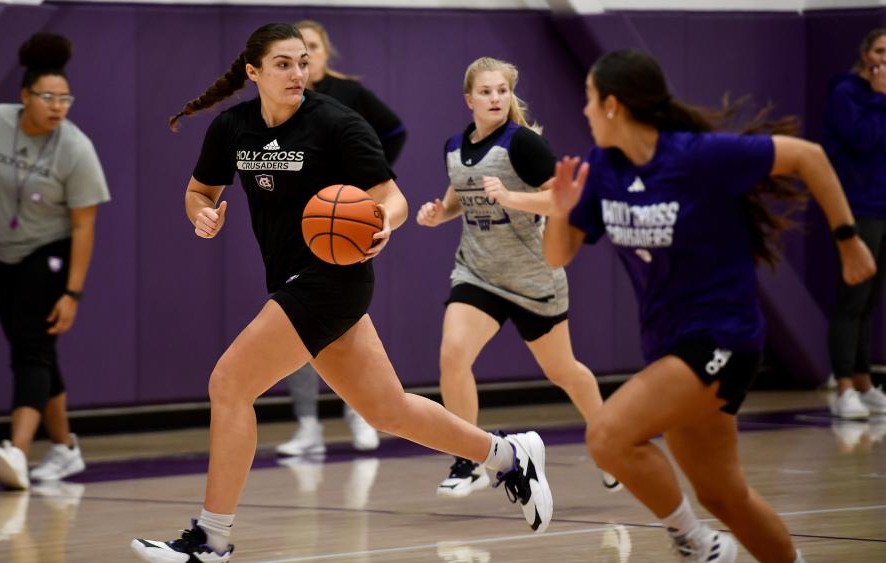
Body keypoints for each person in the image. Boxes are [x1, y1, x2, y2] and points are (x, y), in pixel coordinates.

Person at [130, 24, 552, 563]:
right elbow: (199, 191)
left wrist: (384, 224)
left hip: (335, 277)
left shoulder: (335, 122)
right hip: (289, 279)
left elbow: (391, 197)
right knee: (388, 410)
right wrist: (203, 216)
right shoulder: (232, 127)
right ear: (253, 72)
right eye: (283, 64)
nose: (297, 73)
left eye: (303, 62)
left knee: (229, 384)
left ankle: (210, 541)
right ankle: (507, 455)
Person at [493, 49, 874, 562]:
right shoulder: (602, 168)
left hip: (723, 337)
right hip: (669, 343)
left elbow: (810, 157)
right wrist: (560, 212)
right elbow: (557, 256)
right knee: (723, 495)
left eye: (588, 100)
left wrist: (848, 239)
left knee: (607, 436)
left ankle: (697, 545)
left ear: (613, 105)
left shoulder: (698, 155)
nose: (582, 111)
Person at [416, 56, 614, 497]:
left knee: (564, 371)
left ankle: (609, 441)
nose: (495, 98)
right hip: (478, 272)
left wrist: (509, 197)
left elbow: (561, 203)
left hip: (534, 279)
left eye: (502, 91)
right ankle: (467, 458)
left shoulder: (523, 145)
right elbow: (458, 200)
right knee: (453, 354)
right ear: (469, 99)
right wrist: (437, 213)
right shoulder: (454, 146)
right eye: (486, 92)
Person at [0, 32, 110, 490]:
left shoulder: (76, 149)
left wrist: (73, 293)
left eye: (65, 98)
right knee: (35, 347)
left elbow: (85, 226)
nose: (58, 105)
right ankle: (64, 448)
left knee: (31, 348)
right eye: (48, 96)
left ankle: (17, 451)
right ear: (24, 96)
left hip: (49, 253)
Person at [275, 19, 409, 456]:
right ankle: (309, 425)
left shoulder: (348, 95)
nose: (305, 56)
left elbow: (395, 130)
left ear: (324, 52)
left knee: (339, 319)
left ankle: (361, 412)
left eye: (311, 47)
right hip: (298, 221)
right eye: (297, 49)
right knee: (295, 323)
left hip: (342, 220)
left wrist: (364, 176)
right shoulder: (284, 102)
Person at [824, 28, 886, 419]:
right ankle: (843, 383)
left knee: (871, 300)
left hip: (884, 205)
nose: (885, 60)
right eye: (880, 50)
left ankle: (864, 382)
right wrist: (880, 97)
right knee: (852, 298)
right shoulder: (846, 93)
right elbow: (862, 140)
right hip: (857, 207)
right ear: (865, 54)